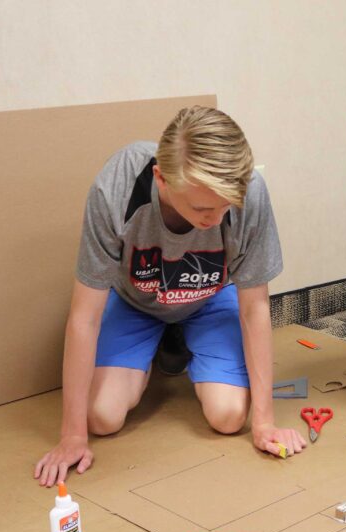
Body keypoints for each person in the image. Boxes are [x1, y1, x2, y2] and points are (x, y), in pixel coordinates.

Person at [35, 106, 306, 487]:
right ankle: (159, 344)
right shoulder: (116, 186)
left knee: (229, 418)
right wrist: (72, 437)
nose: (214, 218)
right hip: (135, 301)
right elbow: (85, 317)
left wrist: (264, 423)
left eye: (224, 205)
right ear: (161, 178)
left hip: (211, 298)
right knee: (101, 418)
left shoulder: (247, 191)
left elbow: (255, 308)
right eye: (200, 208)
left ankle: (179, 339)